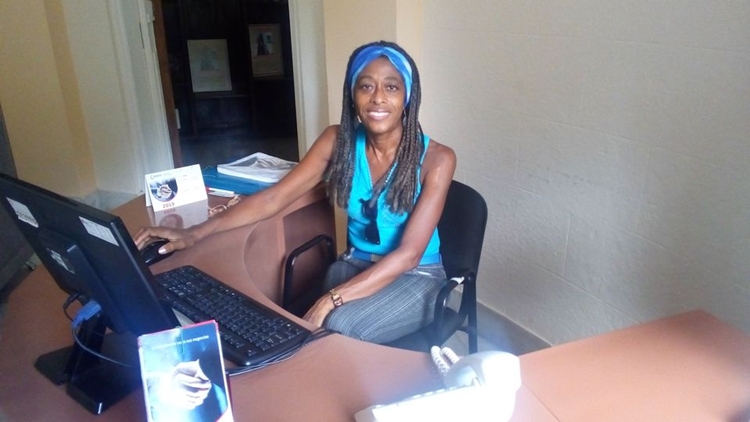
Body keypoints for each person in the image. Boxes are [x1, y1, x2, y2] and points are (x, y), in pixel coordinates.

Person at [135, 40, 456, 344]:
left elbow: (409, 254)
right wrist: (194, 233)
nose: (378, 98)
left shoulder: (438, 159)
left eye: (392, 87)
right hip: (357, 264)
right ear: (352, 95)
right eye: (366, 86)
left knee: (338, 325)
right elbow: (274, 198)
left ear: (408, 96)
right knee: (297, 321)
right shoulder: (337, 141)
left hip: (417, 276)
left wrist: (331, 299)